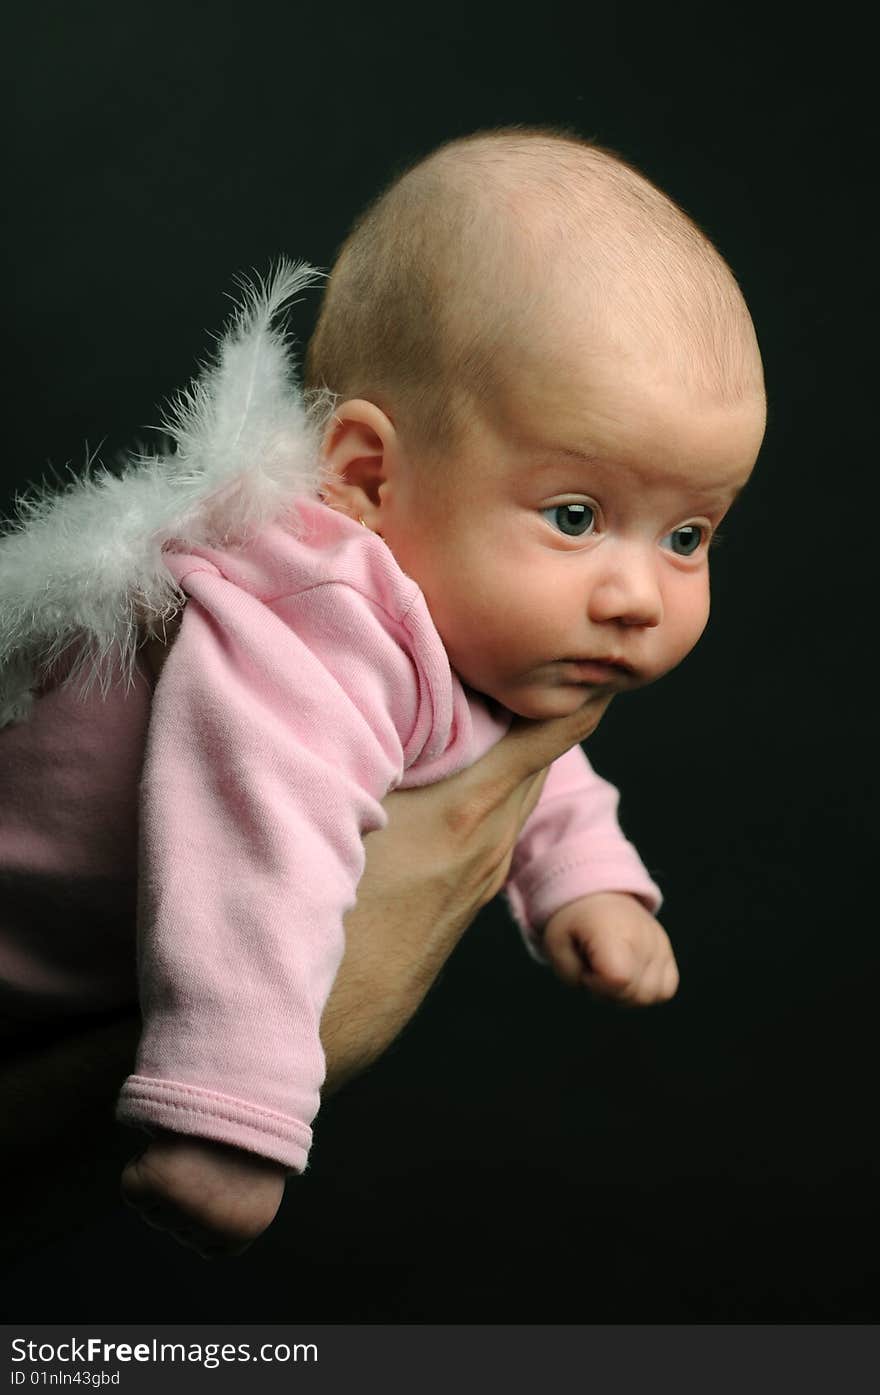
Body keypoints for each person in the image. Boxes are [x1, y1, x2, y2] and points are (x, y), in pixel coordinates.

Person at [0, 124, 766, 1258]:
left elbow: (508, 742)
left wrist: (582, 877)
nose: (636, 595)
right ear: (366, 475)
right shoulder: (307, 623)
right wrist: (231, 1107)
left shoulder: (453, 626)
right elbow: (256, 851)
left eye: (689, 534)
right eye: (575, 516)